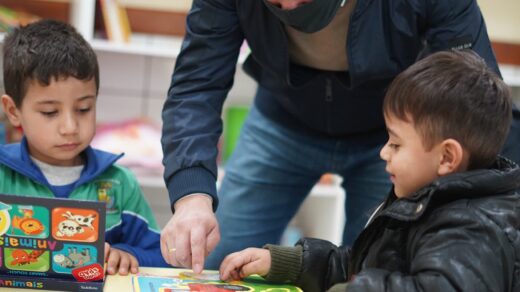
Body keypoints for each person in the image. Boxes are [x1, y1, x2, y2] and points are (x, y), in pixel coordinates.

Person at [160, 0, 520, 271]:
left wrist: (491, 215)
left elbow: (477, 102)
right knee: (220, 260)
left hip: (394, 136)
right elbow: (195, 86)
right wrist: (192, 196)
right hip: (281, 119)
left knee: (380, 264)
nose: (287, 8)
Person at [218, 50, 520, 292]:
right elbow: (363, 266)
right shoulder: (422, 200)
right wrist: (288, 263)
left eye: (396, 144)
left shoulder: (472, 228)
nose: (383, 153)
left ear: (447, 158)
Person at [0, 19, 168, 275]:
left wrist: (128, 255)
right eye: (49, 112)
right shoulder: (3, 176)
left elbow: (161, 256)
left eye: (83, 109)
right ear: (13, 111)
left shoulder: (120, 183)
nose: (70, 127)